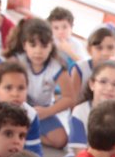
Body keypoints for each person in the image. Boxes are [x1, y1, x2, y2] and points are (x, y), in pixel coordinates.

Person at [7, 17, 74, 150]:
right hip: (17, 106)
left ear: (51, 46)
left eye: (44, 46)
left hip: (41, 111)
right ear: (25, 45)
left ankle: (25, 136)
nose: (38, 51)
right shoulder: (16, 61)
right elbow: (2, 88)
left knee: (61, 140)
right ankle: (20, 135)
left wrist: (48, 111)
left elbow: (69, 98)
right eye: (33, 45)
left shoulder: (57, 67)